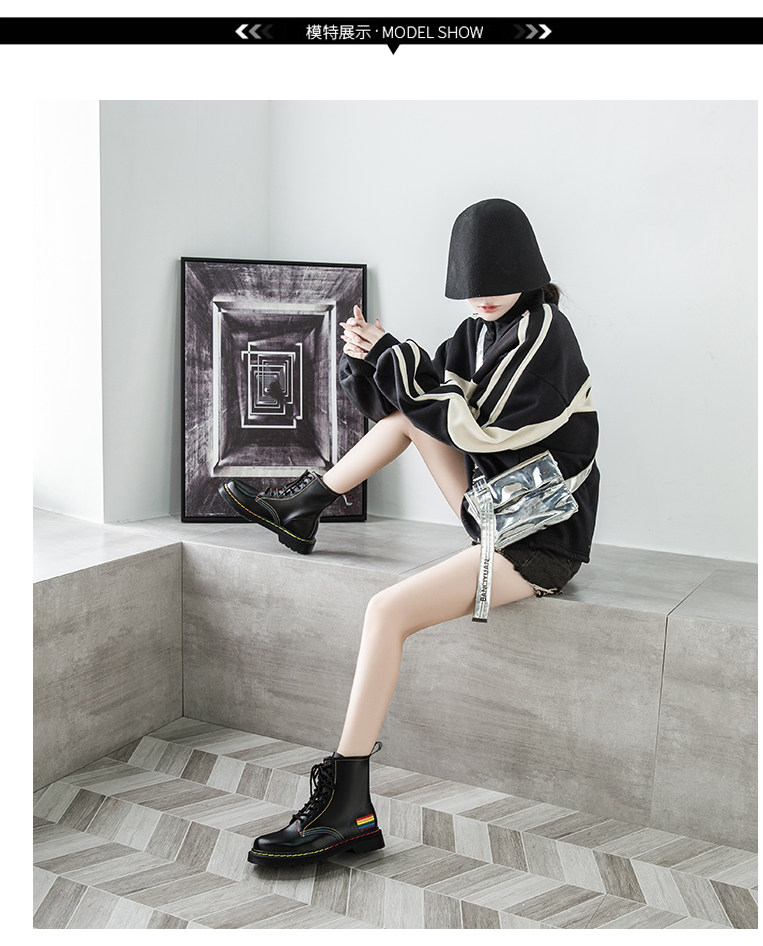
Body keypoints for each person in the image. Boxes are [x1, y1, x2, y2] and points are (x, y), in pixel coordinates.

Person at [219, 198, 599, 866]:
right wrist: (372, 359)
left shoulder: (546, 335)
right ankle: (305, 508)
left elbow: (479, 428)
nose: (481, 296)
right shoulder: (479, 330)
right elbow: (416, 400)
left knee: (385, 610)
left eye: (494, 281)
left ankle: (348, 806)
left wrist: (397, 358)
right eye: (469, 284)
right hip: (497, 508)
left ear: (527, 270)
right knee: (402, 420)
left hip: (539, 537)